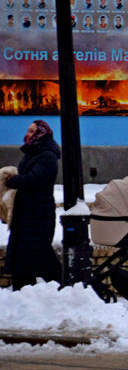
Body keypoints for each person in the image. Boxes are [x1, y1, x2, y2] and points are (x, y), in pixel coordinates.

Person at [3, 121, 63, 288]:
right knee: (24, 257)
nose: (28, 134)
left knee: (40, 254)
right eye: (28, 130)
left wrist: (13, 181)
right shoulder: (33, 153)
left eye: (32, 131)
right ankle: (23, 292)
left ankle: (67, 289)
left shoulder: (47, 156)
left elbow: (35, 179)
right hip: (26, 213)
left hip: (38, 214)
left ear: (41, 134)